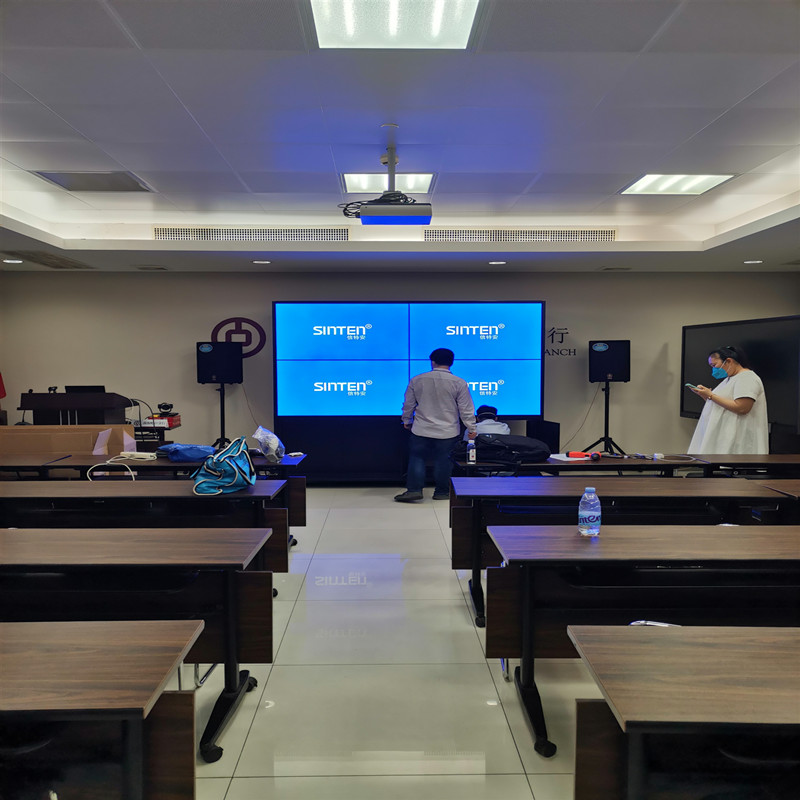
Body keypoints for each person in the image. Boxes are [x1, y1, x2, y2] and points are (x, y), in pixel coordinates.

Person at [395, 348, 476, 502]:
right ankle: (442, 492)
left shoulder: (417, 380)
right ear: (451, 362)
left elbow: (408, 404)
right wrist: (471, 427)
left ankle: (414, 490)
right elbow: (466, 409)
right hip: (448, 430)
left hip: (421, 428)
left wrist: (407, 420)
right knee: (444, 461)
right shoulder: (459, 382)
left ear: (432, 362)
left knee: (417, 458)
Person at [687, 345, 769, 454]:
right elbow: (721, 406)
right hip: (724, 437)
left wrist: (711, 395)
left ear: (729, 361)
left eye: (714, 365)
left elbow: (742, 408)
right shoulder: (730, 379)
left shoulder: (747, 378)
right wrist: (705, 395)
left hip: (739, 440)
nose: (714, 370)